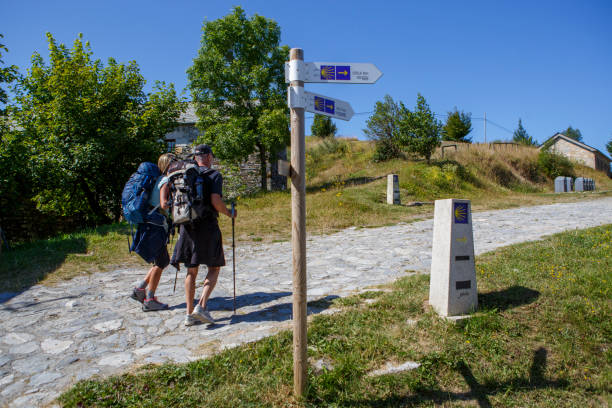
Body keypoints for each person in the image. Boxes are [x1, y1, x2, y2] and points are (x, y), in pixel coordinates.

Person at [171, 144, 237, 326]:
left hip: (187, 225)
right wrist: (229, 213)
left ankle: (188, 314)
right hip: (207, 226)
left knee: (191, 270)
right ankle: (201, 306)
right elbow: (216, 201)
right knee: (214, 267)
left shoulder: (184, 175)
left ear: (195, 158)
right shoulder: (214, 175)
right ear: (208, 157)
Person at [130, 152, 176, 311]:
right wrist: (176, 203)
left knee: (160, 260)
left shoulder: (156, 180)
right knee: (162, 262)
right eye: (174, 163)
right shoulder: (165, 181)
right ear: (168, 165)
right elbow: (163, 204)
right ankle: (150, 298)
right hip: (156, 226)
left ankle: (140, 289)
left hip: (150, 224)